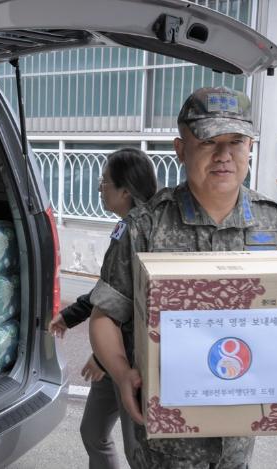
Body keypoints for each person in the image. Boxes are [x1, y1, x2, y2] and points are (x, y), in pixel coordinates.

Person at [89, 86, 277, 468]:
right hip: (161, 442)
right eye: (208, 141)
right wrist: (121, 373)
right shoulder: (146, 226)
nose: (224, 156)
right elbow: (105, 313)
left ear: (250, 147)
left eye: (236, 141)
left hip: (236, 437)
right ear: (181, 148)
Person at [48, 148, 157, 469]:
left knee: (139, 452)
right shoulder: (126, 227)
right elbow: (110, 288)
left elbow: (139, 309)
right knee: (93, 432)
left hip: (131, 362)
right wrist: (71, 315)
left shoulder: (145, 231)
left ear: (125, 190)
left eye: (104, 182)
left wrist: (103, 356)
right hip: (113, 359)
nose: (99, 189)